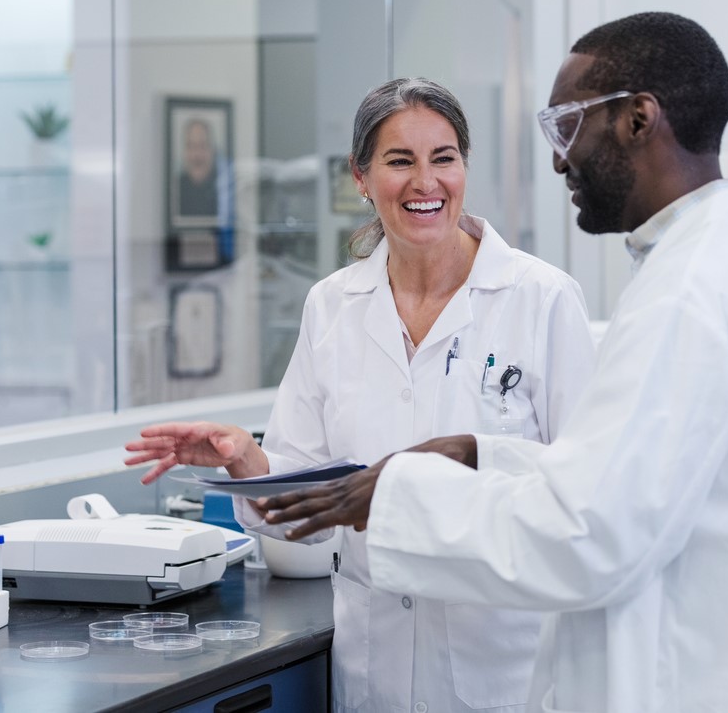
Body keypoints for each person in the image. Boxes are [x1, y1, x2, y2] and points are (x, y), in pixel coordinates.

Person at [258, 13, 728, 713]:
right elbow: (629, 487)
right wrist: (483, 454)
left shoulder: (682, 295)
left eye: (567, 125)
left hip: (677, 678)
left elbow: (590, 537)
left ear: (635, 119)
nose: (560, 158)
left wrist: (401, 493)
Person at [125, 77, 598, 713]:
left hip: (503, 670)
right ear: (361, 177)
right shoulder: (333, 305)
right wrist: (246, 460)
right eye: (400, 161)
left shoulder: (541, 299)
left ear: (465, 166)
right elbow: (305, 508)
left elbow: (585, 496)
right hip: (373, 672)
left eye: (444, 158)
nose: (426, 183)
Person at [177, 117, 218, 220]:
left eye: (202, 146)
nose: (197, 155)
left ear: (211, 150)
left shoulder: (224, 188)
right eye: (191, 146)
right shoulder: (175, 188)